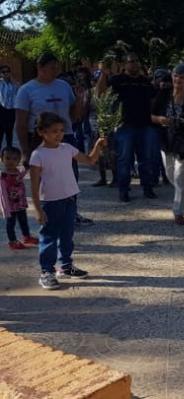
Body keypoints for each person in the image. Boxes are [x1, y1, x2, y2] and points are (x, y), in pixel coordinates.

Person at [29, 112, 106, 290]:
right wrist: (38, 209)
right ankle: (46, 271)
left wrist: (98, 145)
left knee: (67, 235)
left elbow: (89, 160)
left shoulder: (67, 148)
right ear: (42, 132)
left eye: (61, 130)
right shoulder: (38, 155)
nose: (59, 134)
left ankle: (65, 266)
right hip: (51, 202)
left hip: (69, 199)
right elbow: (33, 185)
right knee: (49, 236)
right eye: (54, 131)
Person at [15, 53, 91, 225]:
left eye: (57, 67)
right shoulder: (26, 90)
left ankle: (71, 213)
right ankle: (47, 213)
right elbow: (20, 123)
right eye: (52, 67)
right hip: (39, 140)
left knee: (70, 176)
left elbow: (74, 116)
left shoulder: (64, 86)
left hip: (66, 137)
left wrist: (80, 100)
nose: (56, 70)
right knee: (45, 180)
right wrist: (25, 151)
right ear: (40, 68)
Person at [96, 52, 159, 203]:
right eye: (131, 61)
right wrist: (103, 74)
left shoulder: (145, 81)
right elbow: (101, 92)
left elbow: (154, 98)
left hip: (145, 126)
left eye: (136, 61)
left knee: (146, 159)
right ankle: (123, 190)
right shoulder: (118, 80)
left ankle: (147, 188)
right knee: (124, 159)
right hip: (125, 126)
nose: (134, 64)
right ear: (125, 64)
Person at [151, 64, 184, 225]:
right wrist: (160, 120)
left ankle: (178, 211)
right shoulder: (163, 95)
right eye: (175, 76)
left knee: (182, 177)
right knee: (171, 175)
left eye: (182, 77)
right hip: (167, 142)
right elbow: (151, 115)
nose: (178, 80)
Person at [1, 146, 38, 249]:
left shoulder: (18, 172)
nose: (11, 161)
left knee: (23, 221)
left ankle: (26, 237)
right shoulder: (3, 176)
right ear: (2, 159)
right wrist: (3, 207)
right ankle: (12, 241)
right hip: (10, 206)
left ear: (18, 160)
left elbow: (23, 173)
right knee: (11, 224)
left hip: (20, 203)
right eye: (7, 158)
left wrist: (28, 166)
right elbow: (2, 192)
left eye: (14, 159)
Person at [0, 65, 18, 148]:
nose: (6, 73)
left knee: (9, 131)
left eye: (7, 71)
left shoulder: (13, 83)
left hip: (11, 110)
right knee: (0, 131)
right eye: (3, 72)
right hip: (1, 109)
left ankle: (9, 150)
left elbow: (19, 90)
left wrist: (13, 80)